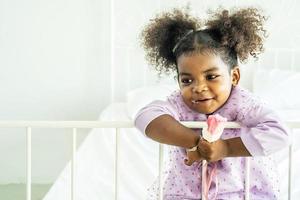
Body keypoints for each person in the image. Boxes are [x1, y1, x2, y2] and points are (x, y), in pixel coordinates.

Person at [134, 7, 289, 200]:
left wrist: (225, 148)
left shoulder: (242, 103)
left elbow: (279, 133)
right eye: (187, 80)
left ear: (234, 76)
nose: (198, 87)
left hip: (240, 193)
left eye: (211, 76)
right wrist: (197, 144)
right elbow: (144, 117)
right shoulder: (179, 104)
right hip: (186, 195)